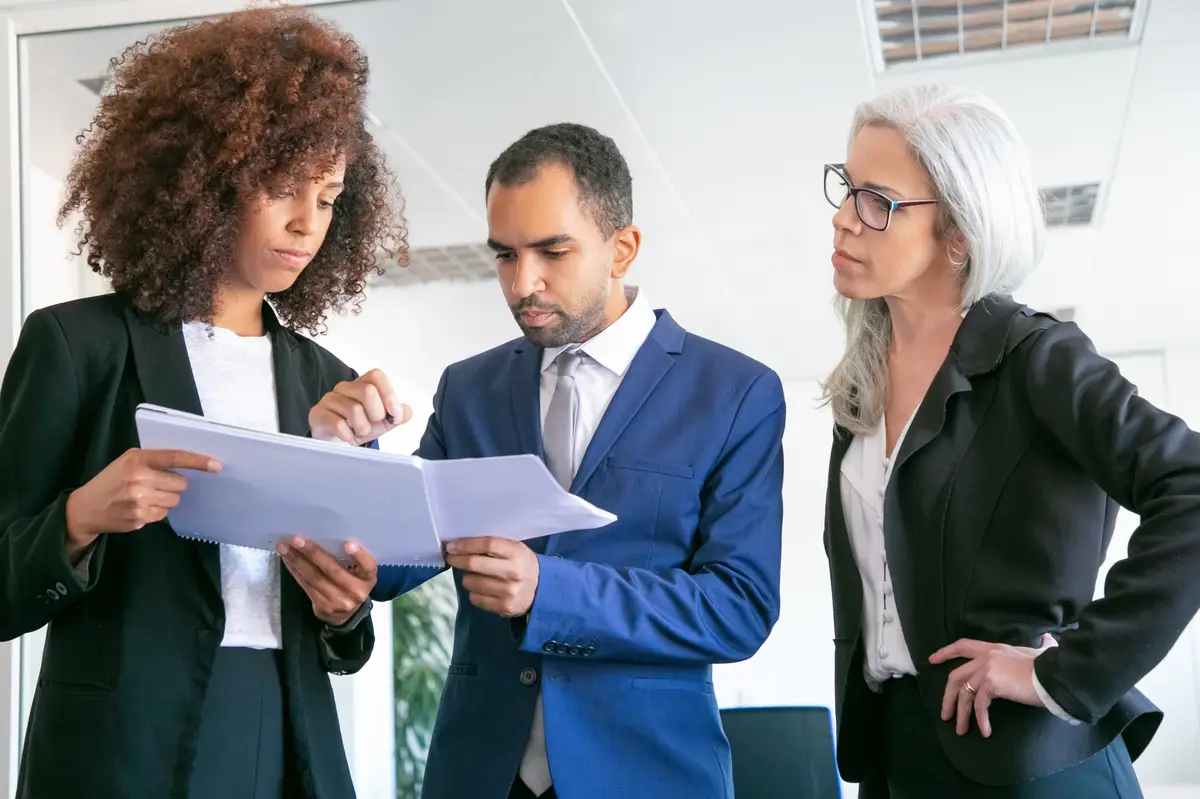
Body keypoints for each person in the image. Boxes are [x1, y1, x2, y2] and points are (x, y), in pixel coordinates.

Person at [0, 9, 409, 798]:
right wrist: (81, 515)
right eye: (282, 189)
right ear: (208, 177)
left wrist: (343, 608)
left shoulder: (330, 380)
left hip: (289, 733)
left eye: (328, 197)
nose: (307, 224)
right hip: (123, 743)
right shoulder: (78, 345)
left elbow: (342, 629)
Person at [309, 122, 786, 798]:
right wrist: (348, 454)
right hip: (480, 775)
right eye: (504, 254)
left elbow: (738, 607)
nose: (521, 282)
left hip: (646, 774)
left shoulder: (736, 391)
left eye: (551, 251)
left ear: (623, 249)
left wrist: (549, 590)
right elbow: (389, 564)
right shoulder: (468, 388)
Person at [820, 83, 1200, 798]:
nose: (843, 220)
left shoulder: (1036, 356)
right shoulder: (862, 384)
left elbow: (1193, 487)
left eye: (877, 201)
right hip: (897, 754)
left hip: (1025, 756)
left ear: (959, 235)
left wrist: (1063, 671)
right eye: (846, 188)